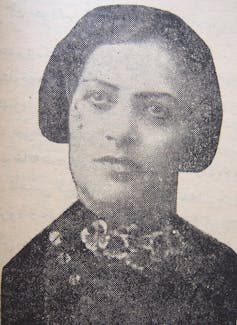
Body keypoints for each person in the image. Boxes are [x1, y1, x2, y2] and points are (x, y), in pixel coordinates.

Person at [2, 5, 237, 324]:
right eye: (99, 99)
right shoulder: (24, 279)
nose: (122, 132)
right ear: (68, 110)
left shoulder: (224, 273)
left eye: (156, 110)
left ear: (192, 132)